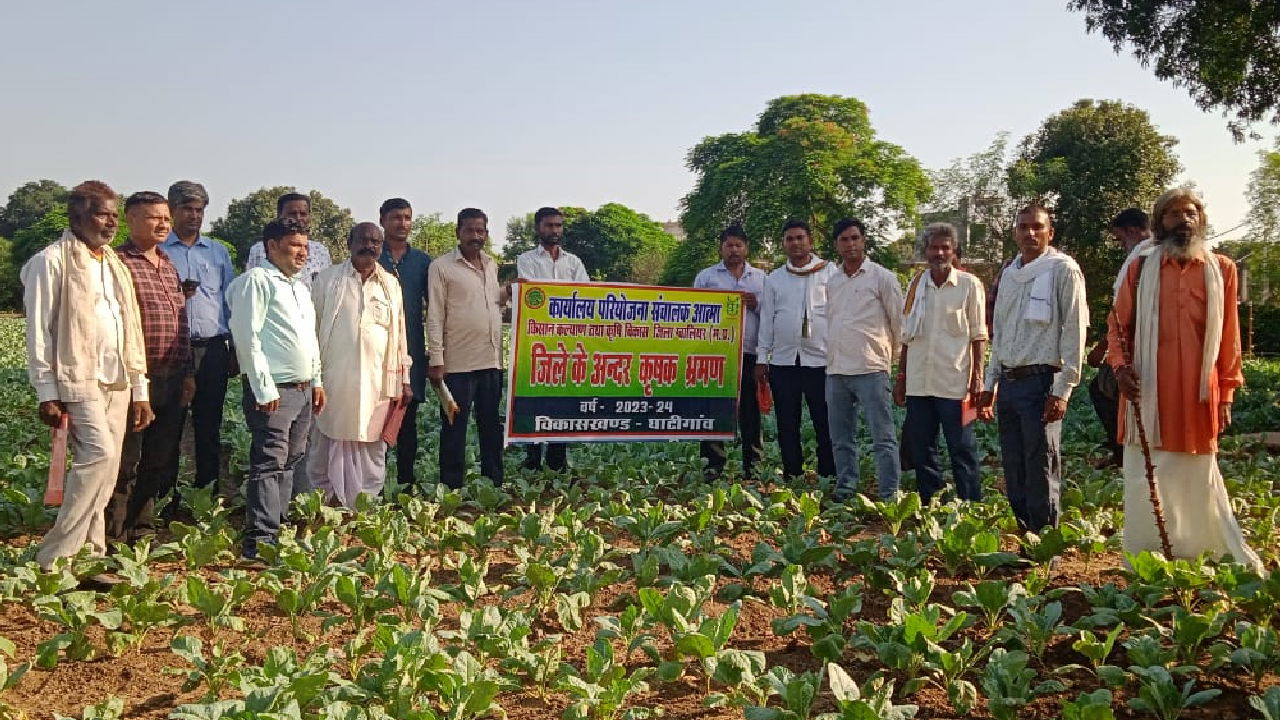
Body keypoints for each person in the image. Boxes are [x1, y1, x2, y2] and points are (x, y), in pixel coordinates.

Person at [1108, 188, 1263, 571]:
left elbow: (1229, 338)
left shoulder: (1221, 269)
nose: (1183, 219)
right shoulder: (1141, 267)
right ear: (1160, 223)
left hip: (1198, 394)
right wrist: (1119, 367)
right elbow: (1118, 325)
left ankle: (1200, 551)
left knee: (1197, 472)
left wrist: (1226, 393)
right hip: (1147, 392)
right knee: (1148, 471)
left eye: (1190, 212)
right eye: (1173, 214)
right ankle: (1147, 556)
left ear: (1201, 219)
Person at [22, 181, 154, 574]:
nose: (110, 222)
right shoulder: (52, 261)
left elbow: (130, 329)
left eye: (114, 215)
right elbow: (39, 331)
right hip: (77, 378)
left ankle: (90, 555)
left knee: (108, 469)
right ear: (76, 215)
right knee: (99, 458)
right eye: (101, 213)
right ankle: (56, 557)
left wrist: (140, 388)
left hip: (116, 380)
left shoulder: (113, 264)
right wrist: (46, 390)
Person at [976, 204, 1087, 534]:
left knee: (1041, 465)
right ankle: (1026, 535)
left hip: (1042, 381)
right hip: (1009, 382)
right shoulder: (1010, 273)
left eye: (1038, 227)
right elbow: (1001, 328)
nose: (1030, 233)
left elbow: (1074, 329)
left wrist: (1063, 388)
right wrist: (989, 381)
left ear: (1050, 233)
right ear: (1015, 233)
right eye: (1024, 227)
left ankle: (1045, 543)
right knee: (1014, 465)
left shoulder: (1062, 270)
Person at [228, 218, 325, 560]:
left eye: (305, 246)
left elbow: (309, 340)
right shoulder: (256, 281)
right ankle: (259, 542)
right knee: (269, 461)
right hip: (274, 391)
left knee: (291, 461)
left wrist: (317, 380)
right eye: (295, 245)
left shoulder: (299, 287)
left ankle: (277, 528)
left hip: (301, 390)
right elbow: (246, 335)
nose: (302, 252)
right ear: (272, 246)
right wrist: (263, 387)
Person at [107, 192, 196, 542]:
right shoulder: (118, 264)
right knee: (124, 462)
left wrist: (188, 373)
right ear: (130, 220)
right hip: (132, 380)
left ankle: (141, 529)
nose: (162, 224)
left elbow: (181, 322)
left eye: (165, 219)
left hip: (171, 378)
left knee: (157, 459)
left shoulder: (167, 263)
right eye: (153, 218)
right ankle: (113, 537)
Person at [309, 223, 412, 508]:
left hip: (378, 381)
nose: (369, 246)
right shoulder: (328, 280)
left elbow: (400, 333)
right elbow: (312, 328)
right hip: (334, 380)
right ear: (349, 243)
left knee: (372, 443)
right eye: (363, 240)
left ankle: (363, 504)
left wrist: (405, 378)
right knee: (326, 441)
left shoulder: (391, 284)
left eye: (375, 241)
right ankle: (326, 503)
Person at [895, 223, 986, 504]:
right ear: (926, 251)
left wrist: (978, 379)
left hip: (957, 383)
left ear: (953, 250)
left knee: (963, 448)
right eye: (934, 247)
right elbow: (907, 337)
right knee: (923, 448)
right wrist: (901, 377)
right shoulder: (915, 285)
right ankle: (932, 504)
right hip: (920, 383)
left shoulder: (969, 285)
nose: (939, 252)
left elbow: (979, 335)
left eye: (945, 247)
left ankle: (970, 506)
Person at [162, 181, 235, 495]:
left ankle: (207, 492)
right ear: (172, 211)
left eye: (199, 210)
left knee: (209, 424)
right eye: (187, 209)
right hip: (172, 349)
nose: (194, 216)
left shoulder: (217, 252)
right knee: (169, 424)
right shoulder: (158, 251)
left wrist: (234, 348)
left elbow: (228, 300)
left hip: (213, 348)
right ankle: (166, 495)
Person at [426, 208, 506, 489]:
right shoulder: (441, 267)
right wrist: (436, 358)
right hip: (457, 363)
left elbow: (495, 302)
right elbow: (434, 315)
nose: (476, 236)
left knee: (491, 426)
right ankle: (451, 487)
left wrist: (513, 292)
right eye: (470, 230)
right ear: (458, 232)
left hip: (491, 360)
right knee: (454, 428)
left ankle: (493, 483)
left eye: (480, 230)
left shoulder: (492, 264)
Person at [825, 218, 904, 499]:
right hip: (836, 370)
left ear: (864, 240)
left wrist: (891, 363)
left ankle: (889, 493)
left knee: (882, 437)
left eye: (855, 238)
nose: (850, 244)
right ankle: (846, 488)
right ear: (837, 245)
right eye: (844, 240)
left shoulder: (882, 277)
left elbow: (899, 324)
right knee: (841, 439)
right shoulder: (832, 281)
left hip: (871, 368)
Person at [755, 219, 838, 481]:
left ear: (810, 241)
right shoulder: (775, 278)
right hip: (783, 361)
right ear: (784, 244)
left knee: (824, 421)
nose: (795, 243)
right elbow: (767, 320)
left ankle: (828, 474)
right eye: (790, 239)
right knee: (787, 423)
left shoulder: (830, 273)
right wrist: (761, 358)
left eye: (800, 238)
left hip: (821, 360)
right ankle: (793, 473)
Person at [516, 206, 589, 472]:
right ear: (538, 228)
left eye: (558, 225)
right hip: (536, 342)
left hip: (568, 343)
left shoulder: (574, 262)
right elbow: (532, 295)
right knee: (535, 398)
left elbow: (584, 297)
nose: (554, 230)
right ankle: (532, 456)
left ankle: (558, 458)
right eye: (549, 225)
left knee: (563, 400)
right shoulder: (526, 260)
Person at [692, 225, 766, 480]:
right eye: (729, 245)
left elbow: (769, 317)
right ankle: (714, 463)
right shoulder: (706, 278)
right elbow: (695, 314)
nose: (734, 250)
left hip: (749, 353)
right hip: (716, 354)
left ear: (746, 248)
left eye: (738, 245)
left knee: (750, 411)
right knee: (713, 409)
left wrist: (755, 304)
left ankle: (753, 465)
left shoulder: (760, 279)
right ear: (721, 248)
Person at [1086, 208, 1153, 468]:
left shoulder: (1143, 255)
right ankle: (1124, 450)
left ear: (1132, 231)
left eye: (1119, 238)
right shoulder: (1146, 254)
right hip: (1129, 340)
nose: (1119, 244)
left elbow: (1124, 310)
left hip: (1133, 344)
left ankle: (1124, 452)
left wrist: (1103, 347)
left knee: (1104, 390)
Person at [377, 198, 432, 487]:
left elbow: (434, 308)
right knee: (377, 418)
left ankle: (406, 483)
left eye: (407, 217)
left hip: (411, 353)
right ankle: (375, 483)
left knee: (408, 421)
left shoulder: (422, 261)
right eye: (396, 217)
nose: (402, 223)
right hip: (376, 352)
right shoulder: (373, 255)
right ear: (383, 220)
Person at [243, 192, 334, 286]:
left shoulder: (320, 251)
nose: (298, 218)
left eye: (303, 214)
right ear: (279, 215)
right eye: (292, 213)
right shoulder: (258, 250)